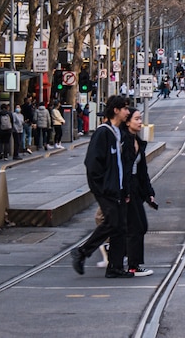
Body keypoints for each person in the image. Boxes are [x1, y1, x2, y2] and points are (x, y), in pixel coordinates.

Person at [70, 95, 132, 278]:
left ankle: (115, 267)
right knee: (112, 222)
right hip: (107, 189)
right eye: (125, 109)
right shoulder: (103, 133)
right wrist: (103, 187)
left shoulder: (118, 132)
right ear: (116, 110)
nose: (128, 112)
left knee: (120, 226)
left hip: (117, 188)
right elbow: (92, 164)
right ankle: (82, 251)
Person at [121, 108, 157, 276]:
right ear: (127, 122)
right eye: (136, 119)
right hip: (126, 189)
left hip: (135, 188)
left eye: (140, 118)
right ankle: (133, 266)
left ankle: (124, 256)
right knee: (135, 227)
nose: (139, 121)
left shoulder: (138, 141)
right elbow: (122, 169)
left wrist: (149, 193)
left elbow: (142, 171)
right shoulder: (122, 141)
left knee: (139, 225)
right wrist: (125, 191)